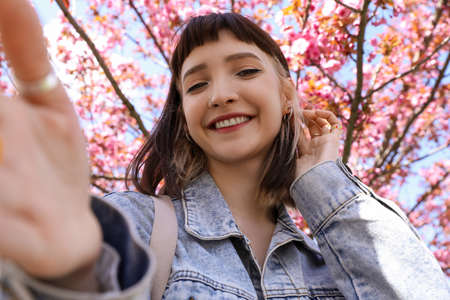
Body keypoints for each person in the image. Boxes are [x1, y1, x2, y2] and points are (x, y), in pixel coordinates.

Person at [0, 1, 448, 299]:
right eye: (196, 84)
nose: (220, 94)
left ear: (288, 95)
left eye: (246, 71)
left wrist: (325, 183)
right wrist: (69, 277)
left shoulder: (334, 260)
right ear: (184, 113)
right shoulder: (132, 229)